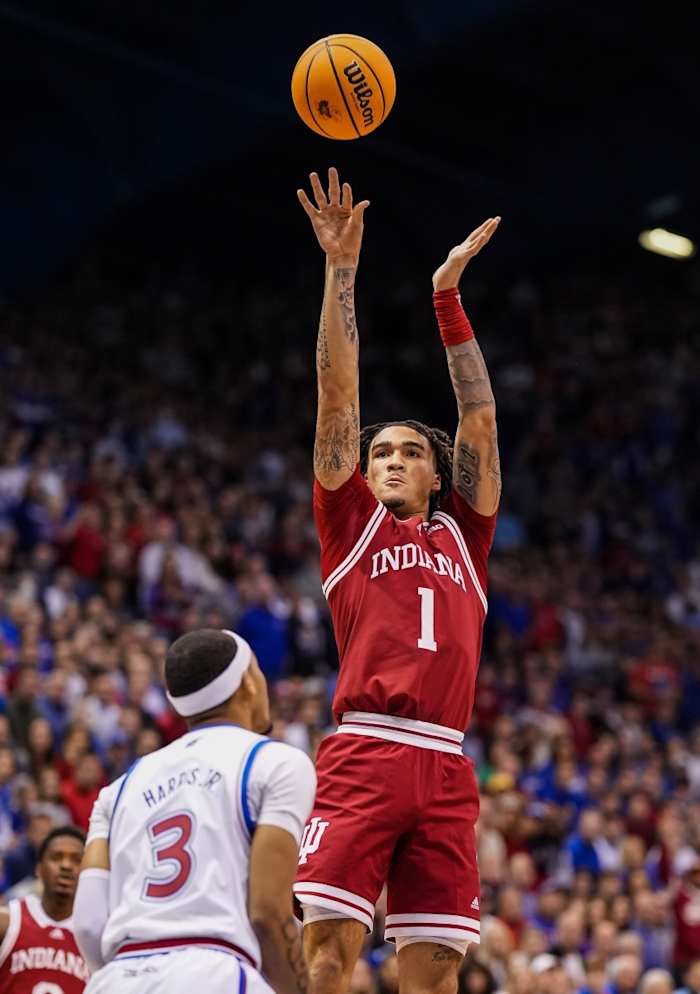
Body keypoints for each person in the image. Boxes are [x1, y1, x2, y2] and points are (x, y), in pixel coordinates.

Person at [294, 167, 502, 994]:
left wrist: (445, 296)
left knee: (436, 974)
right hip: (367, 749)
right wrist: (341, 269)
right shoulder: (350, 522)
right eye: (381, 451)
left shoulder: (465, 534)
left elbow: (478, 416)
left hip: (447, 765)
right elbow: (336, 392)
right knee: (327, 956)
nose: (389, 457)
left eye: (409, 450)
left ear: (434, 472)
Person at [72, 628, 316, 994]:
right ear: (248, 683)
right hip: (213, 969)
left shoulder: (118, 788)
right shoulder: (276, 762)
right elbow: (267, 911)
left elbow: (89, 924)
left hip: (117, 977)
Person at [0, 825, 88, 993]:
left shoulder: (97, 937)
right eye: (56, 857)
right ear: (39, 869)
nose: (66, 866)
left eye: (77, 860)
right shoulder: (9, 921)